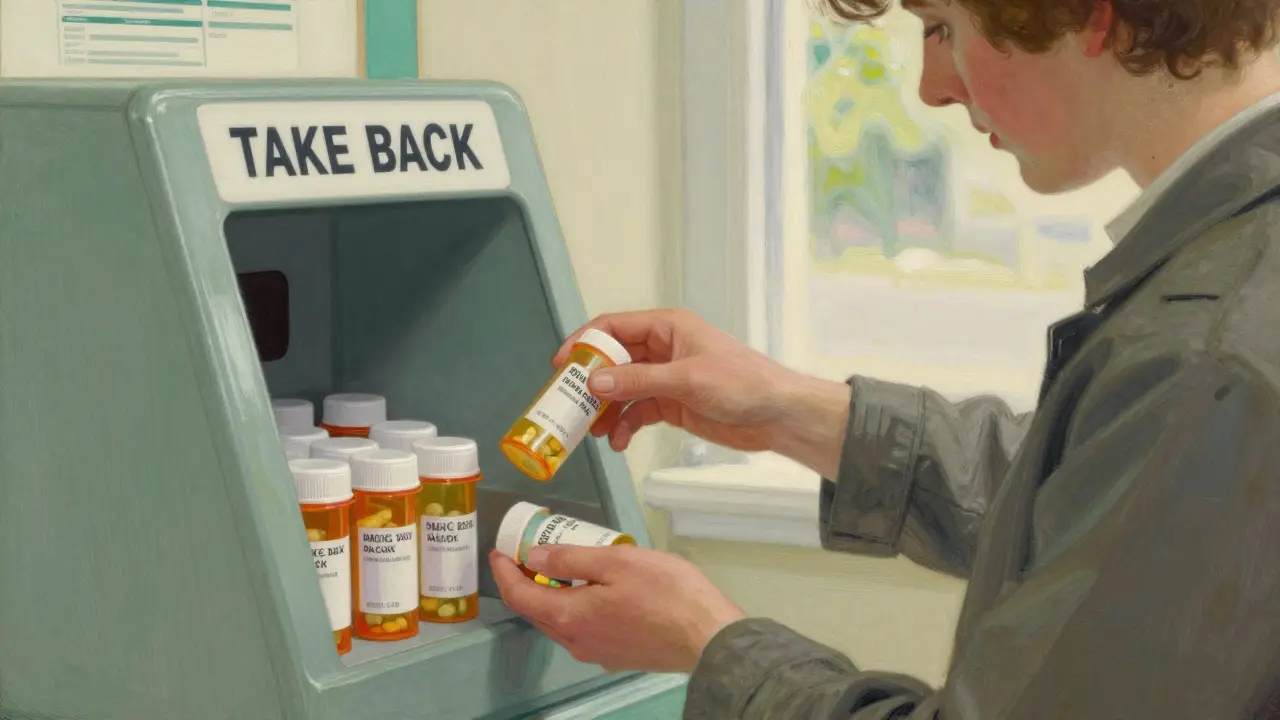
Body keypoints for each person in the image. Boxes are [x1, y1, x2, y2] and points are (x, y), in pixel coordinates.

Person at [490, 0, 1280, 717]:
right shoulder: (1230, 288)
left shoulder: (1209, 358)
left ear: (1088, 16)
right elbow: (1101, 500)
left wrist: (709, 643)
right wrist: (795, 413)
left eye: (942, 27)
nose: (931, 87)